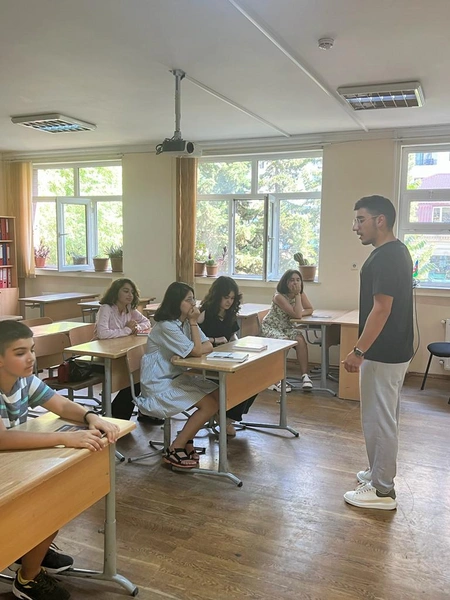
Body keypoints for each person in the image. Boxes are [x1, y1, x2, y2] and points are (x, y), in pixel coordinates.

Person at [0, 320, 119, 600]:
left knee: (57, 498)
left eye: (32, 349)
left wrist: (91, 416)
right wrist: (65, 438)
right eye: (20, 353)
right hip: (6, 469)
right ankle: (27, 578)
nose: (31, 358)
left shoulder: (24, 380)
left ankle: (30, 550)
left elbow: (61, 404)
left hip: (11, 466)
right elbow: (2, 439)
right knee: (48, 505)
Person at [343, 195, 413, 510]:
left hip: (383, 352)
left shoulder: (387, 257)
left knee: (379, 420)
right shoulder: (396, 252)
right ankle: (377, 473)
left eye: (361, 220)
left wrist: (359, 350)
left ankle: (383, 491)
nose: (355, 227)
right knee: (382, 417)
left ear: (380, 220)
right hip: (393, 349)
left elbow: (382, 309)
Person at [134, 282, 219, 469]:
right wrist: (194, 325)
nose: (193, 304)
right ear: (176, 302)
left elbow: (208, 346)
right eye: (188, 300)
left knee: (218, 394)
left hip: (175, 379)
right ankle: (175, 448)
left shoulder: (185, 323)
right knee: (209, 405)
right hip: (158, 384)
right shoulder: (167, 326)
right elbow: (198, 351)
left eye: (193, 299)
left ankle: (187, 438)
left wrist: (191, 348)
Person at [94, 278, 161, 423]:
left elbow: (146, 322)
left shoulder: (129, 308)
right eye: (125, 291)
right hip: (105, 356)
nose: (130, 295)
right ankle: (118, 415)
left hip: (123, 352)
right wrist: (127, 330)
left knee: (144, 370)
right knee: (136, 375)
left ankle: (140, 412)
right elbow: (103, 334)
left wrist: (137, 328)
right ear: (115, 292)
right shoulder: (106, 308)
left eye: (132, 292)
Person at [198, 276, 257, 436]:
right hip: (207, 362)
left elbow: (232, 336)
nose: (229, 302)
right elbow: (192, 338)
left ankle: (228, 418)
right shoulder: (204, 314)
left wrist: (238, 345)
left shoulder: (230, 314)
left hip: (226, 359)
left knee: (255, 379)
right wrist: (214, 340)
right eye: (226, 297)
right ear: (217, 295)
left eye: (232, 298)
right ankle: (225, 418)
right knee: (240, 381)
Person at [261, 269, 314, 391]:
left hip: (287, 327)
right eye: (292, 280)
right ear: (285, 282)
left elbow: (309, 309)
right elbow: (297, 315)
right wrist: (297, 305)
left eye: (298, 280)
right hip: (272, 327)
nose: (295, 283)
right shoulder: (279, 296)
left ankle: (305, 375)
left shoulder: (300, 294)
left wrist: (298, 310)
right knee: (285, 342)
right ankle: (275, 379)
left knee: (300, 340)